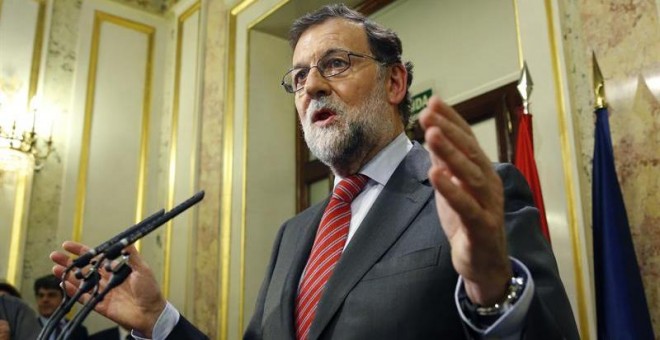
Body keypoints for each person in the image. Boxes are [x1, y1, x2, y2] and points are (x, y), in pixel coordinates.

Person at [51, 3, 579, 339]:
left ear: (395, 84)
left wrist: (491, 290)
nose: (312, 87)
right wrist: (158, 319)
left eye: (336, 64)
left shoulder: (477, 193)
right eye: (300, 77)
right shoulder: (295, 234)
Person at [34, 274, 89, 340]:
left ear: (64, 298)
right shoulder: (26, 327)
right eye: (41, 295)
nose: (45, 300)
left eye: (51, 295)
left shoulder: (79, 331)